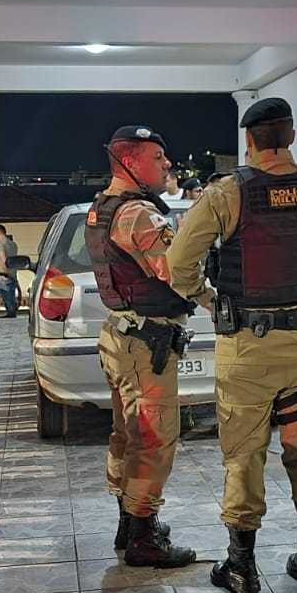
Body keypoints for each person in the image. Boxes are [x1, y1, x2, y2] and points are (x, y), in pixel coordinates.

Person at [168, 97, 297, 593]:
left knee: (244, 453)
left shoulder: (228, 194)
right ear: (289, 136)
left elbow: (180, 265)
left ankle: (241, 567)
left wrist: (207, 297)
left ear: (250, 140)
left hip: (246, 348)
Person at [85, 125, 200, 568]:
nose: (167, 164)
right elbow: (178, 273)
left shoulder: (102, 207)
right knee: (154, 440)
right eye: (158, 157)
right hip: (146, 344)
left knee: (126, 435)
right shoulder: (138, 214)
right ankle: (143, 535)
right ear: (131, 162)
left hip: (121, 336)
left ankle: (128, 519)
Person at [0, 223, 21, 317]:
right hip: (13, 274)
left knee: (7, 299)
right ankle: (13, 317)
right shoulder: (14, 244)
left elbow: (3, 259)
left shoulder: (0, 244)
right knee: (12, 298)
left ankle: (10, 318)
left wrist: (5, 272)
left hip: (4, 275)